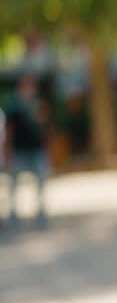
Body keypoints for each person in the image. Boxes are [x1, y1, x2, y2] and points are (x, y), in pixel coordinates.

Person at [4, 75, 51, 230]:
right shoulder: (13, 105)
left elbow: (43, 128)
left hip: (36, 150)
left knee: (41, 182)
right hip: (19, 150)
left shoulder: (38, 104)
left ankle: (41, 214)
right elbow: (9, 130)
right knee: (14, 185)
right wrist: (7, 150)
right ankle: (13, 216)